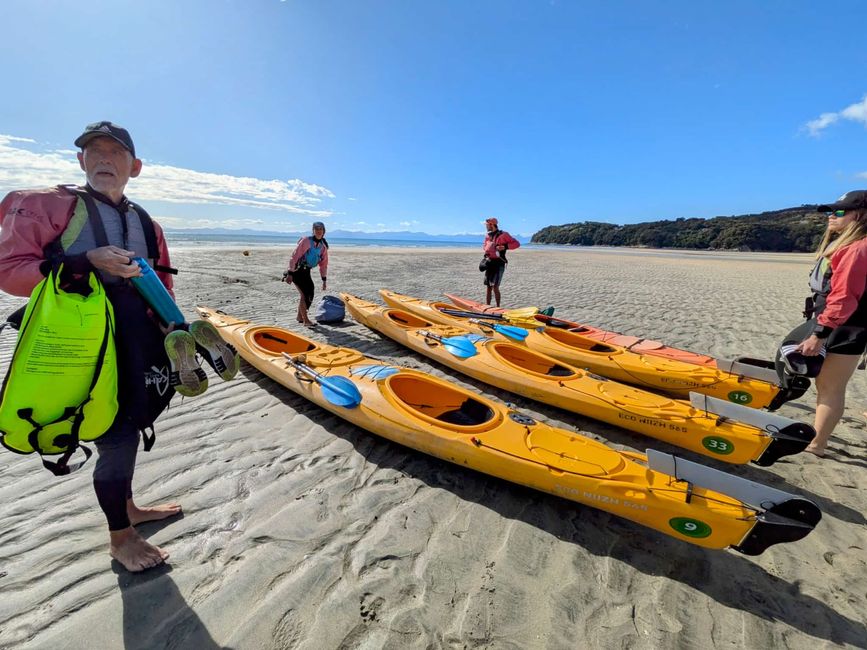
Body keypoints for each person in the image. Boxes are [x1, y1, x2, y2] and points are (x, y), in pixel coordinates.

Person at [0, 121, 218, 572]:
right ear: (80, 160)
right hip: (81, 345)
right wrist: (84, 263)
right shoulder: (48, 205)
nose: (104, 160)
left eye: (115, 154)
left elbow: (161, 284)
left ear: (134, 167)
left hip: (138, 341)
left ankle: (130, 506)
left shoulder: (146, 223)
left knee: (134, 420)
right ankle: (121, 537)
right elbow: (10, 271)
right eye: (94, 152)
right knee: (113, 435)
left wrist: (173, 329)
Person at [789, 190, 867, 457]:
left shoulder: (857, 249)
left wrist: (820, 334)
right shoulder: (852, 246)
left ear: (859, 216)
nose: (832, 216)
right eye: (831, 211)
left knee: (830, 388)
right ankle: (817, 441)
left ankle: (816, 445)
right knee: (826, 385)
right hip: (839, 324)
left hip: (846, 328)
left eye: (840, 211)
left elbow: (844, 298)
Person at [284, 222, 329, 326]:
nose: (318, 231)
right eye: (316, 229)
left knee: (310, 292)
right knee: (304, 294)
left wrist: (324, 280)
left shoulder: (323, 247)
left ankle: (300, 316)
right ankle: (306, 321)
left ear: (324, 231)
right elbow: (294, 256)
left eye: (321, 229)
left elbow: (324, 264)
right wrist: (290, 272)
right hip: (296, 270)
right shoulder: (306, 241)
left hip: (306, 271)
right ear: (313, 230)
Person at [481, 217, 521, 307]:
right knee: (488, 287)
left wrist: (505, 246)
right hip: (489, 263)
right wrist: (487, 252)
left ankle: (498, 307)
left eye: (487, 225)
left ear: (491, 224)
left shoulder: (504, 234)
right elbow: (484, 246)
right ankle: (488, 306)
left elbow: (517, 244)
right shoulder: (487, 236)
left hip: (499, 263)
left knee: (495, 287)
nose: (486, 226)